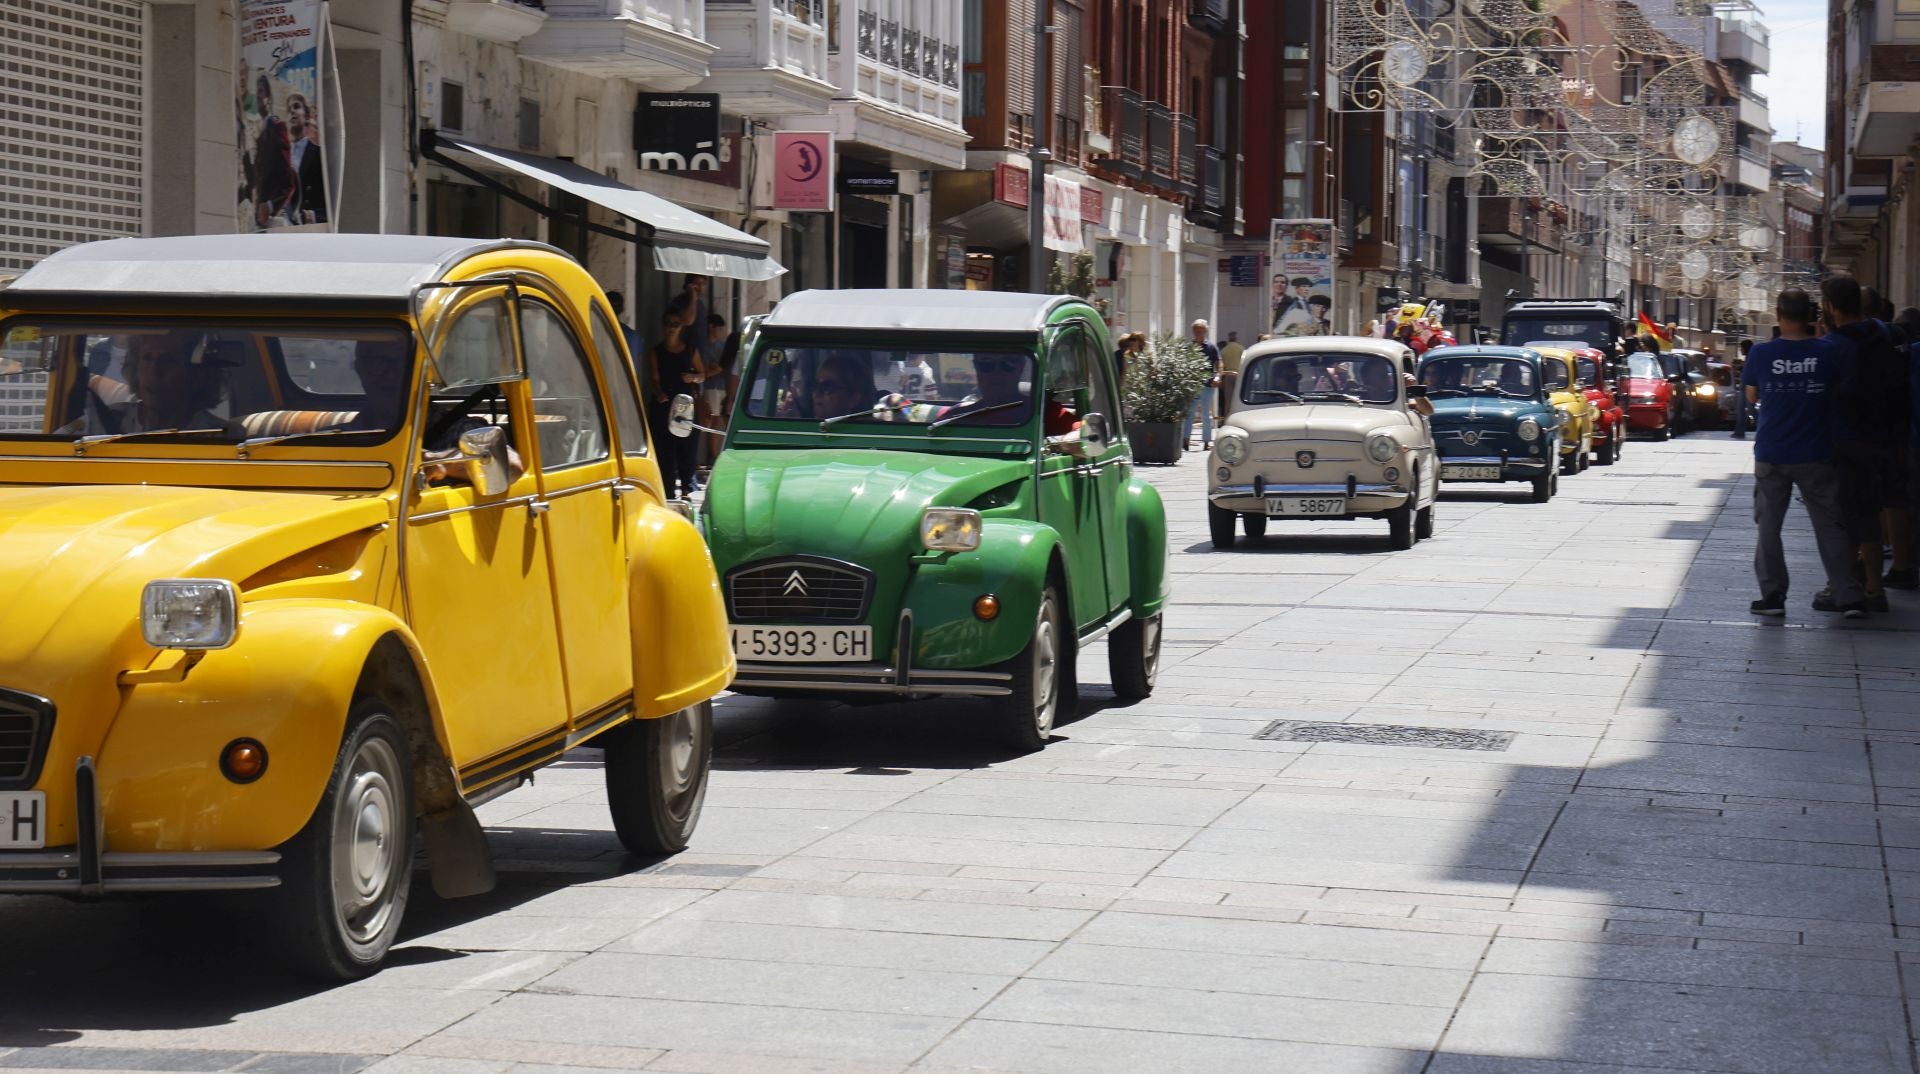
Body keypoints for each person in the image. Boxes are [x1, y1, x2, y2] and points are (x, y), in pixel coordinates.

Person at [1745, 288, 1867, 618]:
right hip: (1816, 451)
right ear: (1811, 315)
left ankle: (1772, 596)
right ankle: (1849, 595)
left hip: (1772, 451)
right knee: (1830, 526)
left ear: (1779, 315)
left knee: (1769, 526)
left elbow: (1751, 395)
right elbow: (1841, 391)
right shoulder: (1827, 353)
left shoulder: (1761, 353)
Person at [1821, 275, 1906, 612]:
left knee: (1846, 515)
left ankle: (1848, 585)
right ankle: (1874, 585)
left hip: (1846, 438)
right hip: (1887, 437)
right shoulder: (1892, 335)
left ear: (1831, 307)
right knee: (1872, 510)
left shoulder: (1832, 346)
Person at [343, 337, 524, 484]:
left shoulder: (458, 429)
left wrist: (442, 462)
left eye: (398, 364)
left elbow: (512, 467)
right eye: (376, 363)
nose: (389, 374)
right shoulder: (343, 437)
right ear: (360, 370)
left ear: (419, 374)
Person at [72, 329, 240, 436]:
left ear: (196, 375)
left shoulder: (219, 437)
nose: (154, 372)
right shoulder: (99, 422)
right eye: (147, 359)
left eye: (169, 360)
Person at [648, 308, 704, 498]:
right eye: (668, 324)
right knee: (665, 452)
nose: (671, 328)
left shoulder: (690, 350)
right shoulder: (656, 352)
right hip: (663, 407)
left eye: (675, 324)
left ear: (681, 327)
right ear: (663, 326)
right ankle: (669, 492)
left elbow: (702, 375)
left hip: (685, 407)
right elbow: (654, 379)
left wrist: (693, 378)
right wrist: (658, 393)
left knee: (686, 450)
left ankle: (688, 488)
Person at [252, 77, 294, 228]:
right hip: (259, 223)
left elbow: (288, 183)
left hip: (274, 221)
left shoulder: (276, 128)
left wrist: (270, 206)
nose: (257, 96)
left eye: (261, 91)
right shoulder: (260, 133)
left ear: (269, 99)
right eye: (256, 92)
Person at [286, 92, 326, 224]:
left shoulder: (318, 155)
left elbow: (332, 203)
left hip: (307, 231)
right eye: (288, 110)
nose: (291, 111)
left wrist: (313, 216)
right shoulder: (281, 157)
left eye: (296, 106)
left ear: (307, 116)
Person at [1182, 319, 1221, 449]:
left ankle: (1206, 441)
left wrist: (1218, 376)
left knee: (1205, 413)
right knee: (1190, 412)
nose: (1198, 333)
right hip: (1192, 384)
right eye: (1196, 330)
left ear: (1205, 331)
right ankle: (1185, 439)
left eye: (1201, 330)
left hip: (1208, 384)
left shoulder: (1211, 347)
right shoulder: (1189, 347)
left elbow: (1219, 363)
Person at [1731, 338, 1754, 439]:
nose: (1740, 350)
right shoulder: (1749, 358)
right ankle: (1739, 432)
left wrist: (1741, 368)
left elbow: (1750, 371)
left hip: (1748, 387)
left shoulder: (1751, 358)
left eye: (1742, 348)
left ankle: (1740, 432)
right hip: (1745, 387)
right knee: (1743, 410)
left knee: (1750, 410)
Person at [1219, 331, 1245, 404]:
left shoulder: (1224, 350)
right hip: (1238, 375)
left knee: (1228, 399)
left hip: (1227, 375)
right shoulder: (1241, 348)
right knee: (1239, 397)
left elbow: (1222, 364)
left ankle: (1228, 414)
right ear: (1236, 338)